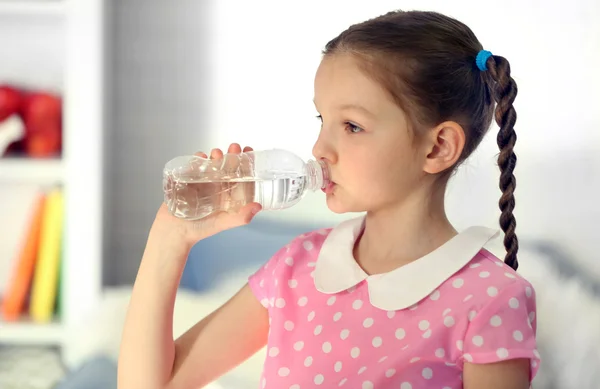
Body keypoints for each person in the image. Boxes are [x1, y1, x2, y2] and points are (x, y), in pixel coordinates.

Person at [118, 10, 540, 389]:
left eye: (352, 126)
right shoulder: (297, 269)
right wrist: (170, 237)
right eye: (323, 120)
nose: (321, 148)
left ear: (437, 148)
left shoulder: (490, 299)